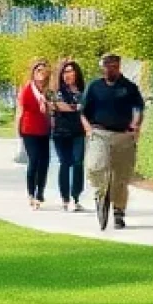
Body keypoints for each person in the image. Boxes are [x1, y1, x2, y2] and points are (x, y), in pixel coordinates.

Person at [82, 53, 145, 229]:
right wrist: (88, 129)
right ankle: (100, 195)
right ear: (102, 67)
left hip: (123, 136)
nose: (110, 69)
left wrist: (135, 125)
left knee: (121, 177)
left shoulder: (129, 87)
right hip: (100, 134)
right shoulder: (94, 87)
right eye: (107, 66)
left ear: (119, 67)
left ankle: (118, 211)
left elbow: (138, 108)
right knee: (95, 167)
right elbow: (83, 112)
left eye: (114, 66)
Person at [51, 59, 88, 212]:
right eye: (65, 71)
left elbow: (89, 108)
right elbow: (60, 106)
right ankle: (65, 198)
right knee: (65, 162)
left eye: (71, 71)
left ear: (76, 73)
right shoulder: (57, 92)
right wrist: (78, 107)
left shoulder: (84, 91)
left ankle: (76, 196)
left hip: (79, 132)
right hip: (61, 132)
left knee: (78, 162)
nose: (68, 74)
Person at [16, 58, 53, 209]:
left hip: (44, 129)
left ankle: (40, 192)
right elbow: (21, 110)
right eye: (38, 70)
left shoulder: (48, 91)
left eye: (44, 71)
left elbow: (52, 111)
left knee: (45, 161)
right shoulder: (27, 90)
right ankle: (31, 193)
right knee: (34, 160)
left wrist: (48, 106)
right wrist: (17, 129)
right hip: (29, 129)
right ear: (34, 73)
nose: (41, 73)